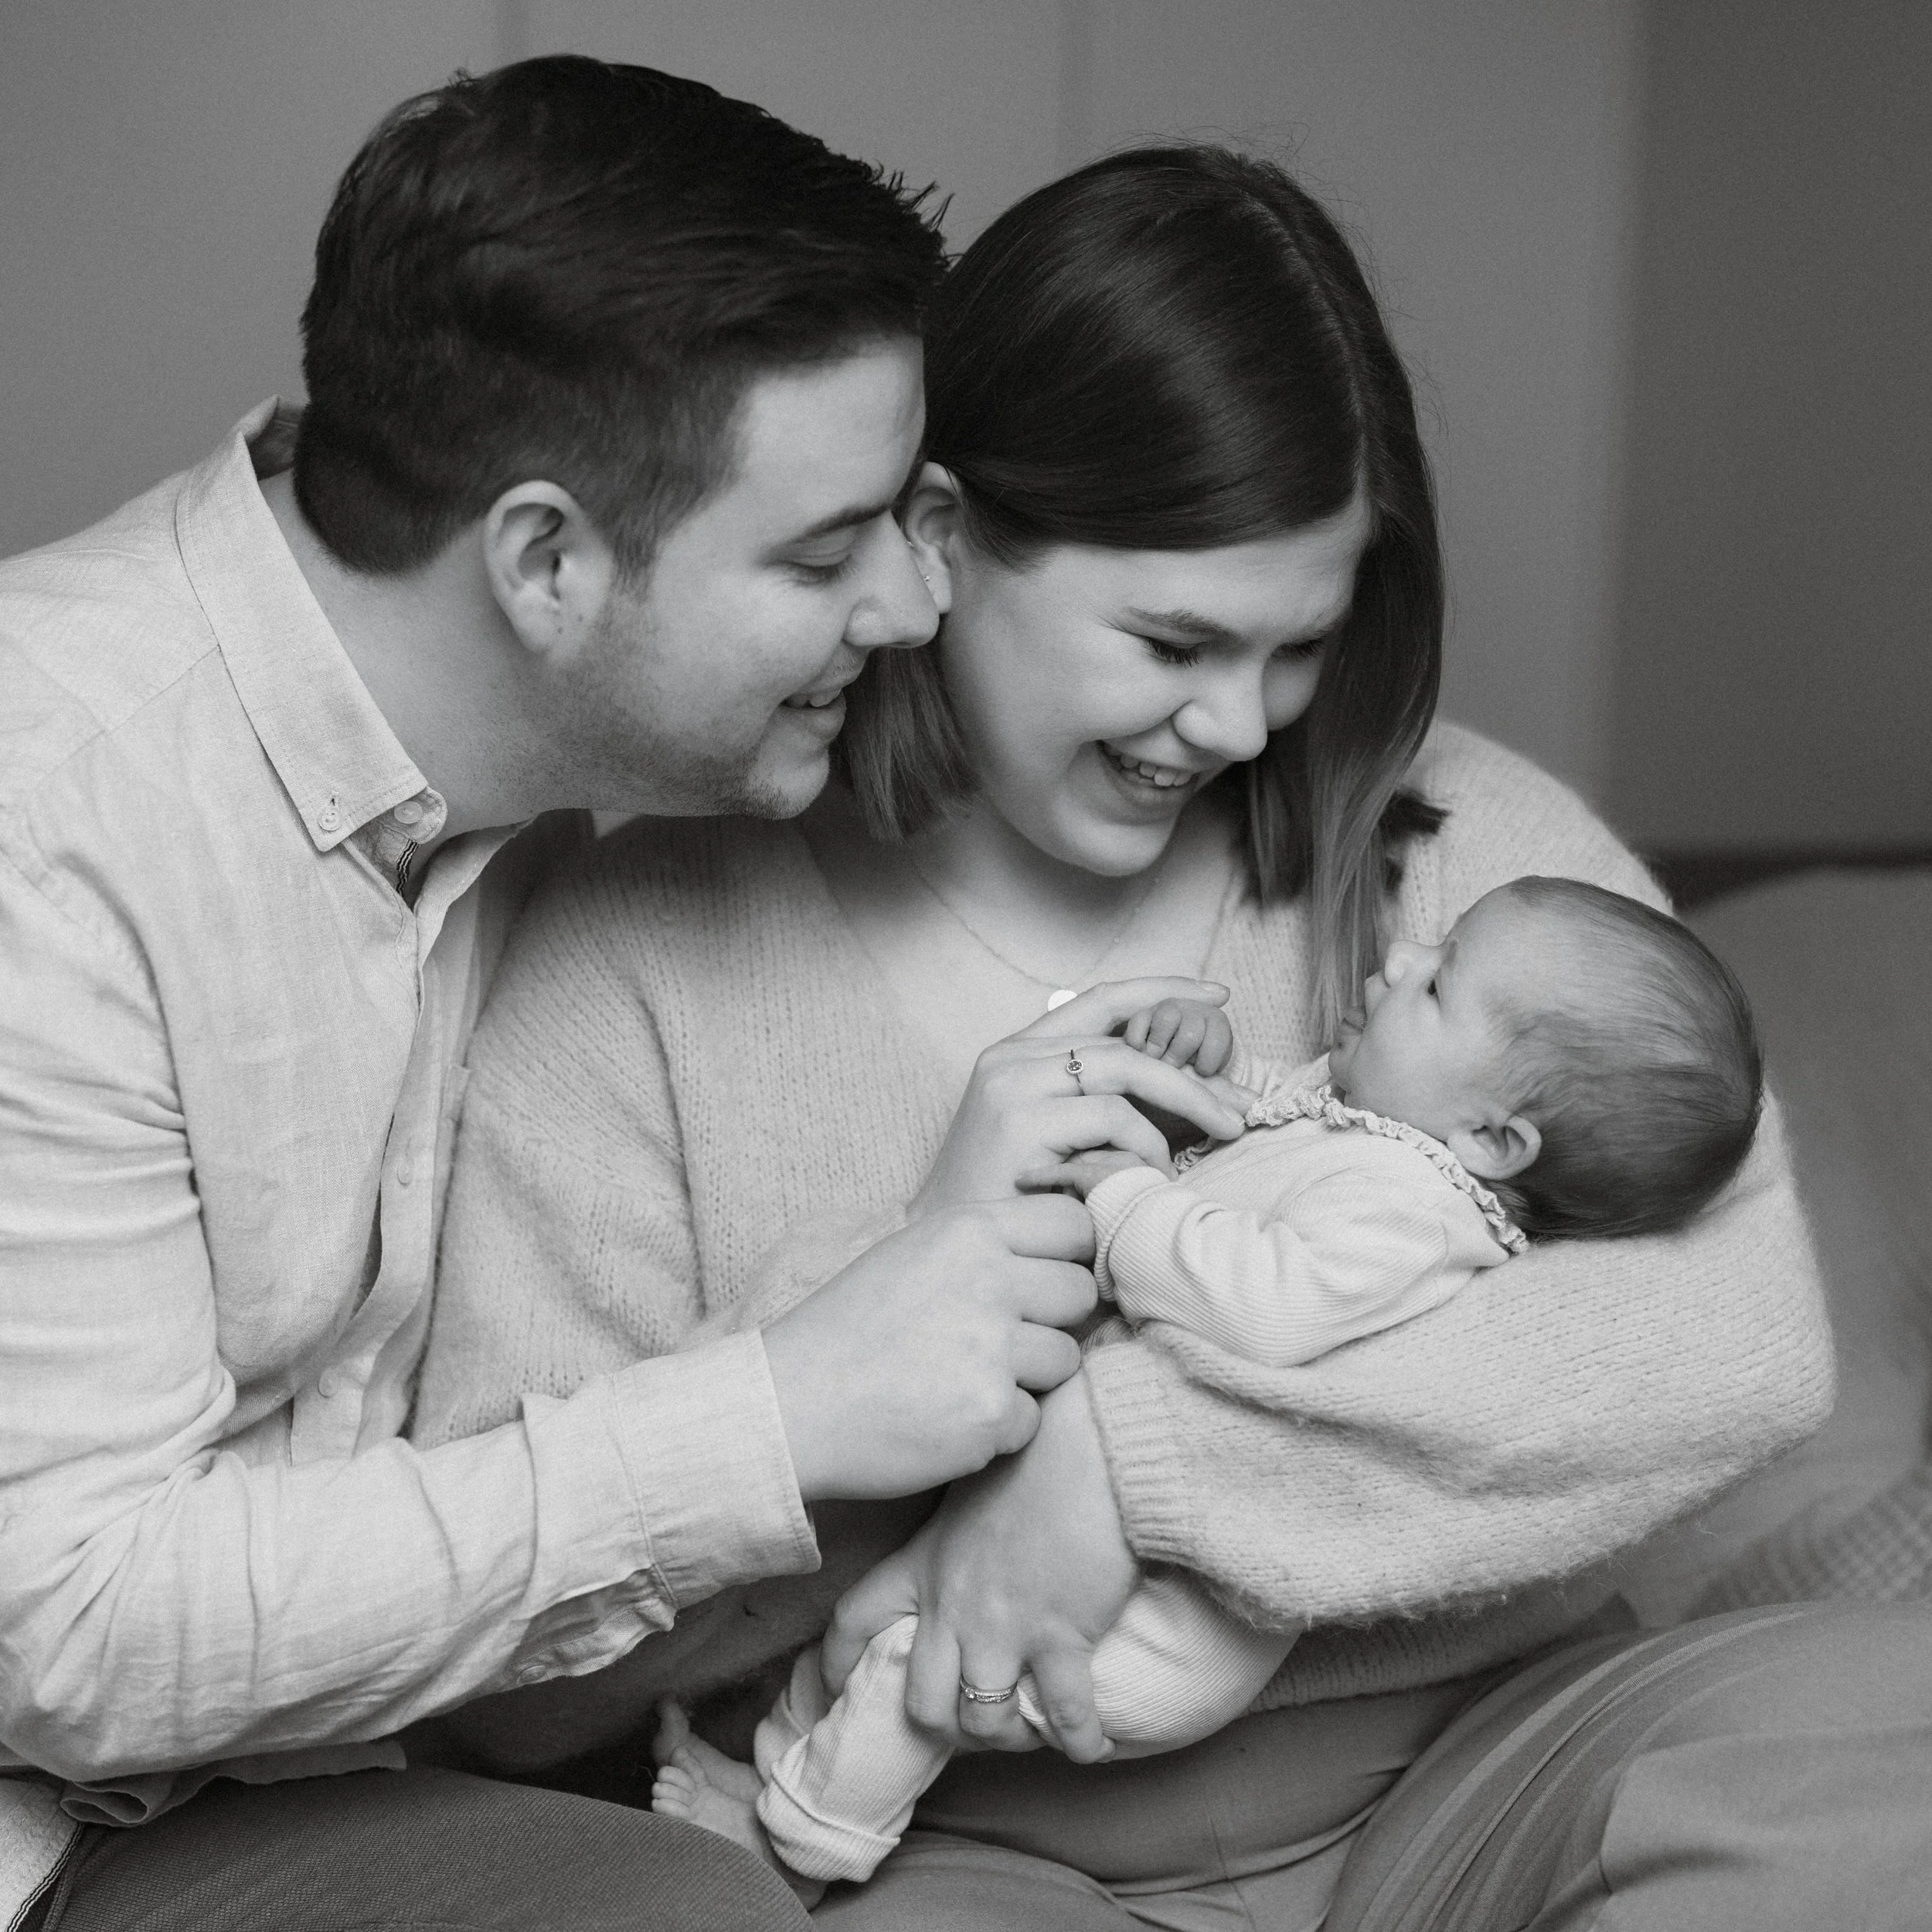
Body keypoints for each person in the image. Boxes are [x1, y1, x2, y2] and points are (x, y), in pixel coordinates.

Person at [418, 146, 1932, 1926]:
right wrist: (866, 1418)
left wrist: (1127, 1464)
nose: (1232, 721)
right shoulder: (636, 963)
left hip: (1491, 1756)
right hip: (967, 1846)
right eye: (1170, 638)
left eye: (1300, 642)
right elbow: (515, 1695)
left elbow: (1736, 1335)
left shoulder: (1463, 853)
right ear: (940, 538)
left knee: (1875, 1720)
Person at [0, 56, 1168, 1932]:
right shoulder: (49, 816)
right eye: (821, 550)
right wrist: (772, 1418)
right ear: (543, 558)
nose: (908, 605)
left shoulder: (523, 776)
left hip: (277, 1774)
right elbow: (65, 1625)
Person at [645, 876, 1770, 1900]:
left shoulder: (1411, 1214)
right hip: (1056, 1561)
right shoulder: (1373, 1129)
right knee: (859, 1628)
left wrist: (1128, 1197)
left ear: (1494, 1138)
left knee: (907, 1669)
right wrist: (1194, 1065)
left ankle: (798, 1847)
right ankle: (770, 1775)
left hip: (1158, 1632)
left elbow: (1261, 1304)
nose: (1397, 960)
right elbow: (1256, 1128)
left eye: (1437, 980)